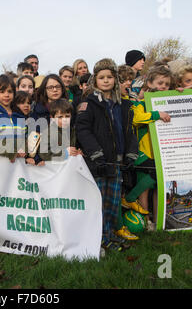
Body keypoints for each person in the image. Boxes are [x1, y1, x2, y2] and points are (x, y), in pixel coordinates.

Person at [76, 58, 138, 251]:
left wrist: (130, 154)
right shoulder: (89, 104)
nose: (105, 80)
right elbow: (83, 130)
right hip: (99, 162)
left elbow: (129, 131)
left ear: (115, 79)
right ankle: (100, 238)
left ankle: (110, 234)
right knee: (100, 203)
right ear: (95, 80)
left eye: (109, 77)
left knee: (113, 203)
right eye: (101, 77)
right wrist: (96, 154)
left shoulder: (123, 105)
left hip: (117, 163)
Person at [121, 66, 172, 233]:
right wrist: (157, 115)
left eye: (167, 84)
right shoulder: (140, 102)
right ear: (150, 83)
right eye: (160, 83)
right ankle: (145, 218)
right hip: (144, 151)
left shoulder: (168, 99)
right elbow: (136, 119)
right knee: (146, 185)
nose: (163, 86)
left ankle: (158, 221)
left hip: (163, 150)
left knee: (159, 186)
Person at [0, 74, 26, 162]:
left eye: (10, 91)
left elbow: (24, 138)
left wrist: (23, 149)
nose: (6, 95)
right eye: (2, 92)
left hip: (18, 164)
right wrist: (10, 153)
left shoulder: (19, 116)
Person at [26, 98, 80, 166]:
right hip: (53, 169)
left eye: (67, 116)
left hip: (67, 168)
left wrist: (76, 151)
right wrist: (64, 153)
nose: (64, 120)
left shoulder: (72, 130)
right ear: (52, 118)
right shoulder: (49, 132)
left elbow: (72, 147)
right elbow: (44, 154)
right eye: (60, 117)